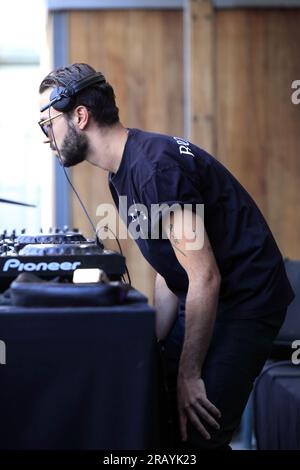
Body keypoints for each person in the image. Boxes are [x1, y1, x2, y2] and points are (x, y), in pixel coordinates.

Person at [38, 63, 295, 450]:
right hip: (208, 294)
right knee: (158, 404)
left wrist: (189, 374)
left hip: (246, 300)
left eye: (48, 123)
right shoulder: (121, 171)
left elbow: (204, 276)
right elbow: (169, 269)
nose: (47, 138)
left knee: (196, 432)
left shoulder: (153, 169)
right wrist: (153, 342)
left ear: (80, 115)